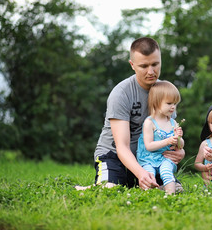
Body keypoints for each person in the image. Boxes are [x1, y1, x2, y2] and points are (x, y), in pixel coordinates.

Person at [76, 37, 185, 191]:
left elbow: (170, 135)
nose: (151, 71)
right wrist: (141, 173)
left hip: (149, 158)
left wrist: (180, 151)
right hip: (114, 154)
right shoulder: (121, 94)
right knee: (110, 189)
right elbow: (122, 146)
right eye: (144, 66)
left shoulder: (165, 93)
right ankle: (99, 185)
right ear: (132, 65)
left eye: (155, 64)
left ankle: (132, 181)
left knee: (175, 189)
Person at [137, 81, 184, 194]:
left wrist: (179, 138)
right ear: (156, 103)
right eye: (169, 103)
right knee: (149, 175)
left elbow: (180, 145)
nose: (173, 107)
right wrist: (168, 140)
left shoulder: (173, 122)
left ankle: (170, 196)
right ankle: (148, 196)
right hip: (148, 158)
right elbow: (149, 146)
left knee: (166, 171)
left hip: (165, 158)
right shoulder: (149, 122)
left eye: (175, 104)